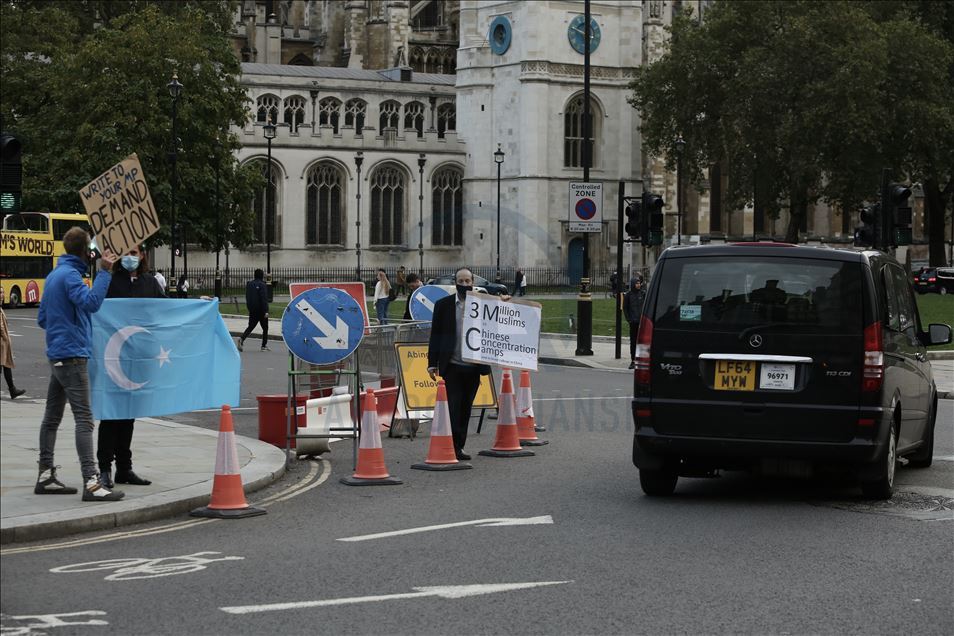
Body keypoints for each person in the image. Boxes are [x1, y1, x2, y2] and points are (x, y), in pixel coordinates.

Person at [35, 227, 124, 501]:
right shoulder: (72, 276)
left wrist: (63, 328)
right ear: (87, 251)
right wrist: (106, 271)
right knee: (84, 419)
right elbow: (92, 303)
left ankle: (45, 475)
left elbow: (41, 318)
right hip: (72, 356)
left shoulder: (53, 276)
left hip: (57, 355)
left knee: (51, 418)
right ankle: (92, 483)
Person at [98, 244, 165, 489]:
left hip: (138, 359)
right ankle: (104, 468)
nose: (129, 257)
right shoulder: (109, 281)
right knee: (111, 415)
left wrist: (201, 306)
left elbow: (166, 312)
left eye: (134, 253)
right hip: (113, 357)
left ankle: (124, 469)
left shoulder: (150, 283)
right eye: (125, 252)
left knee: (128, 417)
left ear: (142, 256)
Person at [427, 268, 494, 460]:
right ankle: (452, 445)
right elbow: (436, 336)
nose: (464, 284)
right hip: (452, 366)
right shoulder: (443, 305)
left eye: (467, 281)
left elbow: (500, 321)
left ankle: (459, 446)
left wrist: (504, 303)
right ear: (455, 282)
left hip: (473, 367)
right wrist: (432, 363)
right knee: (453, 407)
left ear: (473, 282)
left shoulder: (484, 304)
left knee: (465, 408)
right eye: (460, 281)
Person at [0, 287, 26, 399]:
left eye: (3, 292)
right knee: (4, 365)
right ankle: (12, 390)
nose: (2, 295)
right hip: (1, 343)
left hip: (3, 343)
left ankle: (12, 390)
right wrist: (6, 339)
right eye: (0, 292)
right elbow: (0, 327)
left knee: (6, 365)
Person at [237, 268, 269, 352]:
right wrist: (266, 311)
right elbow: (263, 298)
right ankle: (264, 346)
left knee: (251, 326)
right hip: (261, 310)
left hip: (252, 309)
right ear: (262, 276)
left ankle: (242, 338)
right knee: (265, 328)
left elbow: (247, 297)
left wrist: (250, 308)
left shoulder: (249, 284)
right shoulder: (262, 285)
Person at [623, 274, 646, 370]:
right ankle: (633, 360)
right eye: (636, 283)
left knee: (643, 341)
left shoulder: (643, 293)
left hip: (642, 322)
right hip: (633, 322)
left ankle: (642, 359)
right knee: (633, 342)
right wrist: (629, 320)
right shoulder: (628, 295)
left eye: (639, 283)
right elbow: (625, 308)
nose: (638, 285)